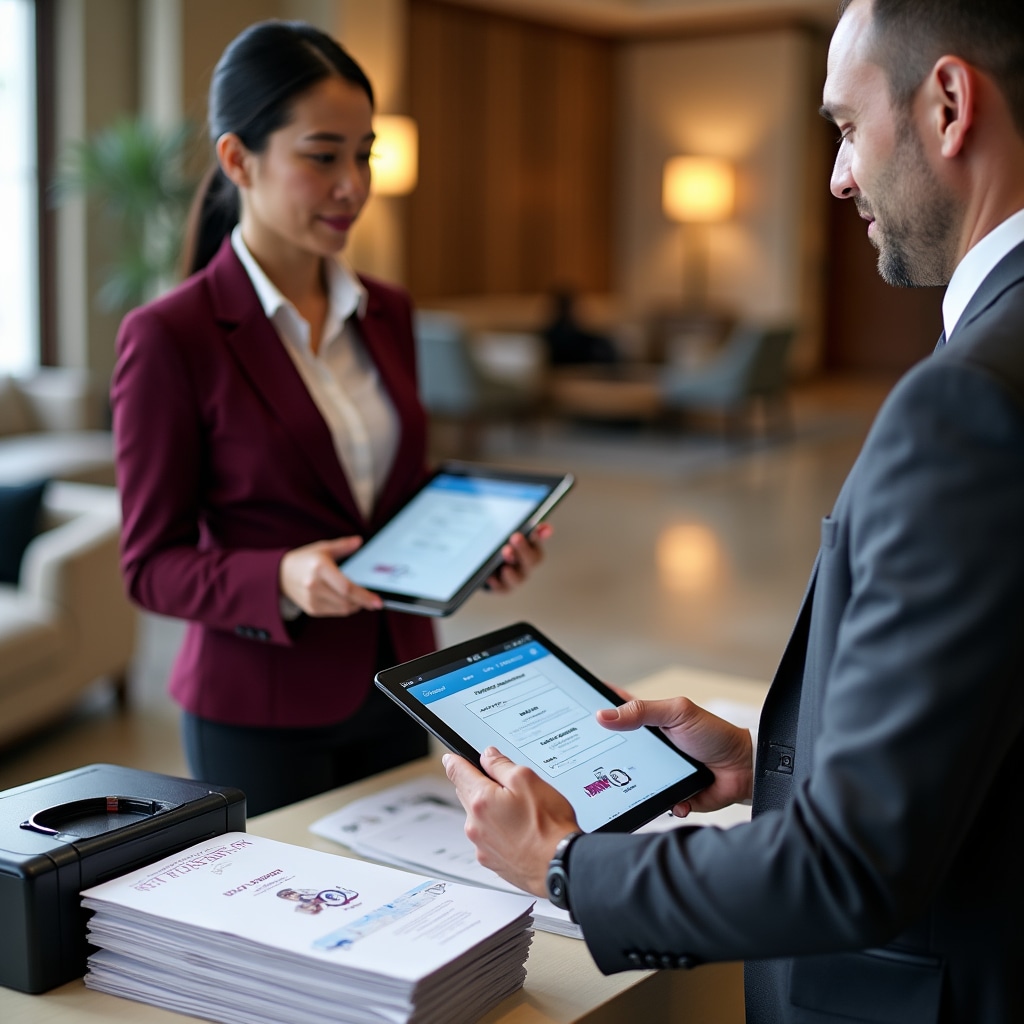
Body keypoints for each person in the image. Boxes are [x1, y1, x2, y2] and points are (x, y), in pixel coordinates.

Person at [444, 1, 1024, 1021]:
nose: (840, 177)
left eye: (845, 128)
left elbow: (852, 869)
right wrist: (774, 769)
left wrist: (563, 865)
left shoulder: (966, 397)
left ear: (946, 102)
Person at [111, 20, 549, 817]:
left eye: (364, 154)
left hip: (399, 679)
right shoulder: (171, 337)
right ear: (239, 159)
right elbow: (150, 565)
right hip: (259, 707)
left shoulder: (387, 312)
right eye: (323, 156)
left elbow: (389, 498)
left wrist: (474, 551)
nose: (353, 184)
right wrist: (278, 576)